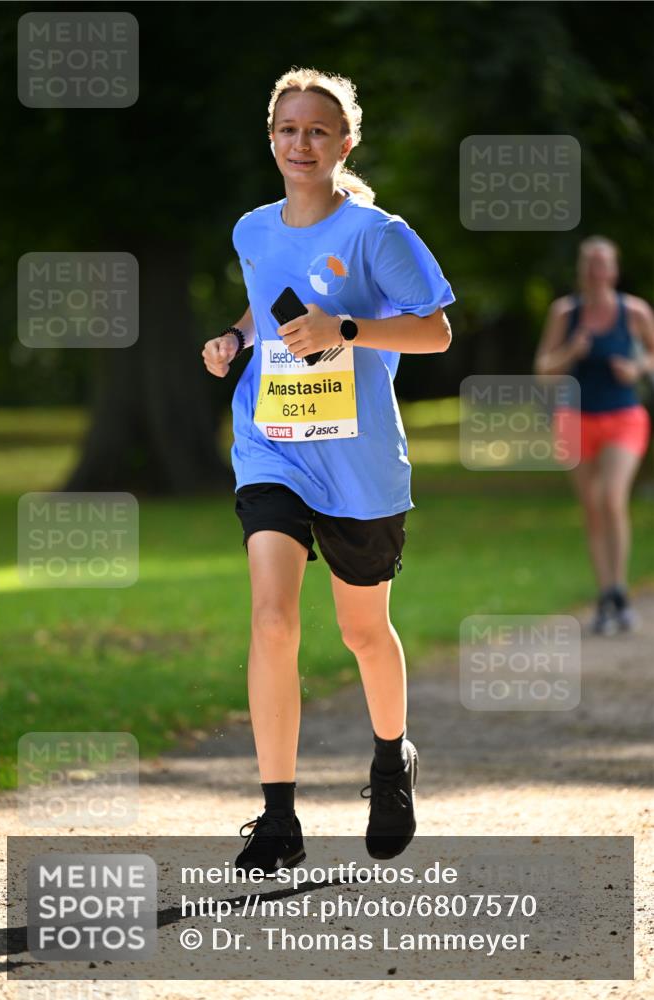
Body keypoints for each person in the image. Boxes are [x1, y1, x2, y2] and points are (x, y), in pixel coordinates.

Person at [201, 67, 454, 874]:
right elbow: (260, 301)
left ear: (344, 143)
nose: (299, 143)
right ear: (269, 139)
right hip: (271, 446)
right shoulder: (251, 229)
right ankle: (277, 816)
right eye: (286, 129)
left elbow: (435, 334)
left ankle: (390, 762)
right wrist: (236, 341)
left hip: (358, 464)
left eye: (316, 131)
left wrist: (345, 326)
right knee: (272, 618)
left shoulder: (376, 233)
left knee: (360, 631)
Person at [534, 236, 654, 634]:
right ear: (581, 271)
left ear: (614, 270)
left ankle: (620, 590)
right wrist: (571, 350)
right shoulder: (565, 313)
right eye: (590, 264)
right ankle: (606, 595)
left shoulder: (634, 311)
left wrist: (636, 369)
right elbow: (544, 367)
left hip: (624, 415)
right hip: (574, 418)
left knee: (611, 497)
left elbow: (652, 356)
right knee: (591, 508)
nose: (596, 271)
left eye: (603, 264)